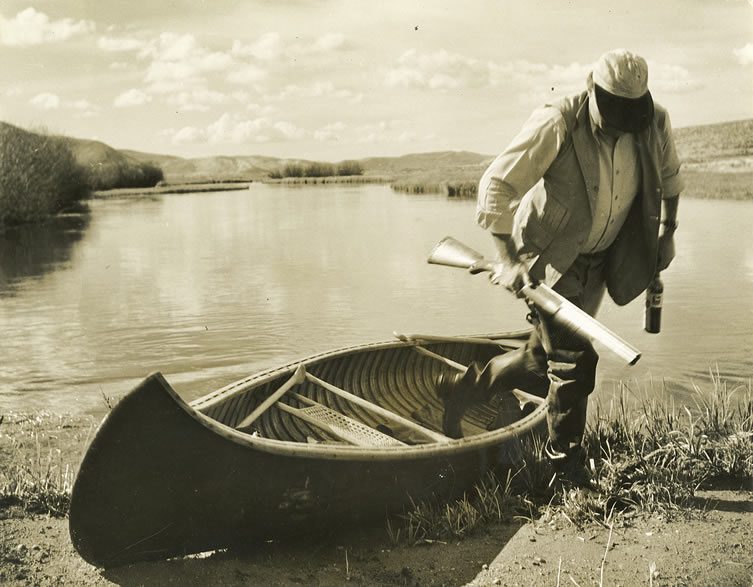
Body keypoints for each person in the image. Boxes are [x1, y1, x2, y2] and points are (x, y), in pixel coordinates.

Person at [436, 49, 684, 485]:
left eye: (631, 114)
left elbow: (672, 177)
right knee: (574, 360)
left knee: (541, 356)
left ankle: (464, 388)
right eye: (613, 113)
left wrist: (667, 232)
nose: (621, 125)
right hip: (550, 260)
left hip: (601, 257)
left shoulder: (653, 121)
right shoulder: (557, 121)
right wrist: (509, 259)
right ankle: (563, 467)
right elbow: (495, 185)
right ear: (591, 88)